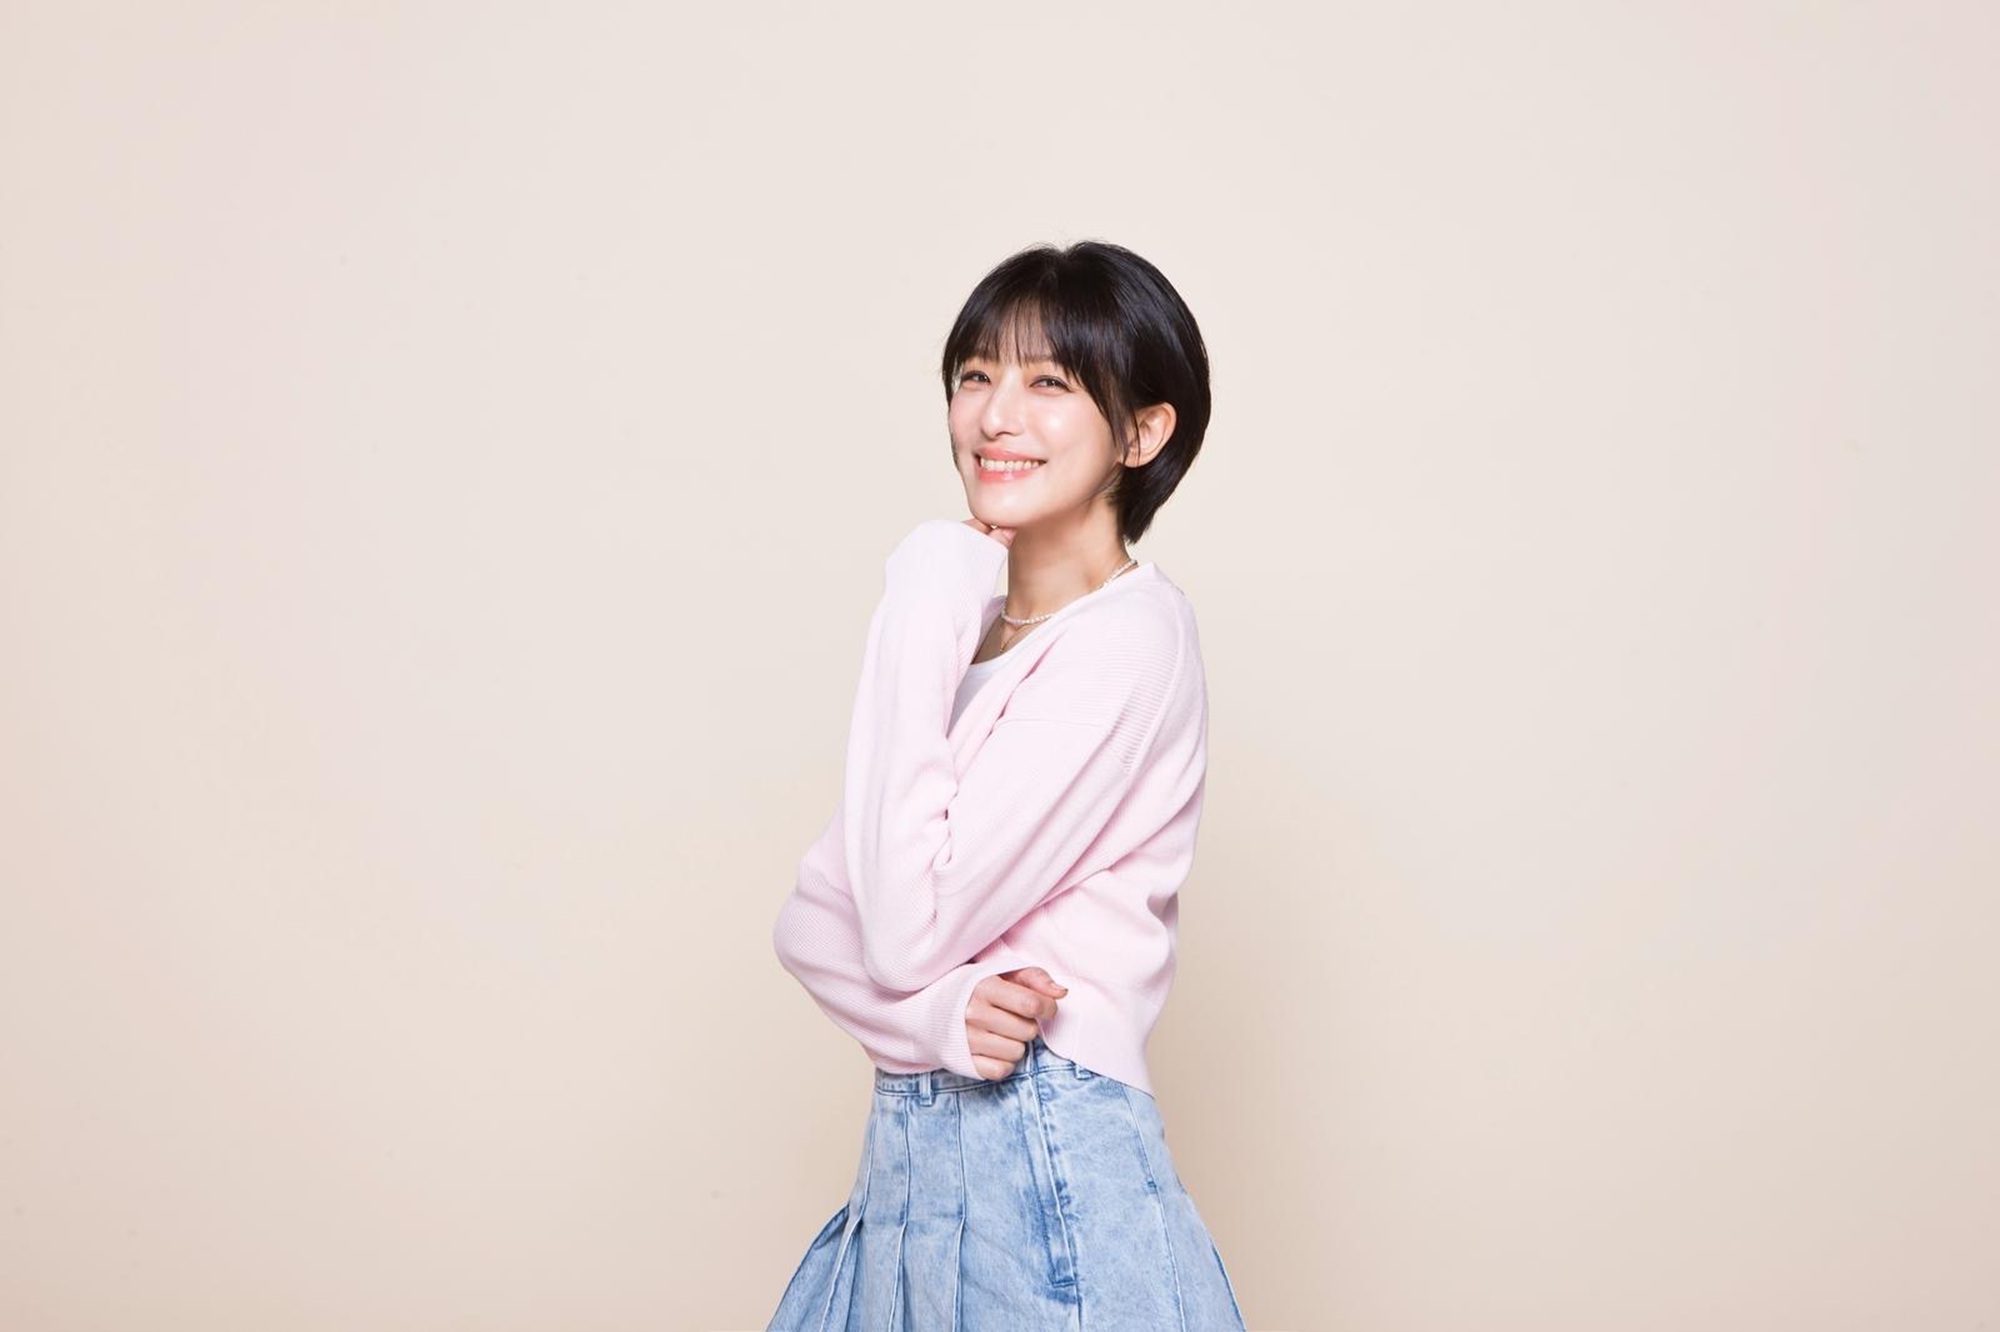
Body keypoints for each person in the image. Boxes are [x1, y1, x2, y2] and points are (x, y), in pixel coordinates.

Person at [767, 240, 1245, 1329]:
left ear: (1141, 432)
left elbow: (900, 928)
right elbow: (810, 924)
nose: (995, 416)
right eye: (976, 375)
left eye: (1049, 382)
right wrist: (939, 1017)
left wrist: (921, 592)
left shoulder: (1128, 641)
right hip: (910, 1180)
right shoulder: (963, 629)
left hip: (1047, 1162)